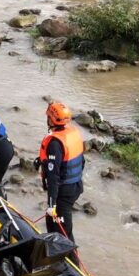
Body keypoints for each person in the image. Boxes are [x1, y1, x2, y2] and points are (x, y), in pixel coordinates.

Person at [37, 102, 85, 247]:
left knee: (63, 232)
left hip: (63, 192)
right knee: (51, 223)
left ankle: (73, 263)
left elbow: (53, 176)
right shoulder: (72, 133)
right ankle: (54, 255)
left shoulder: (55, 143)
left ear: (51, 119)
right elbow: (81, 161)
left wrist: (52, 204)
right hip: (75, 185)